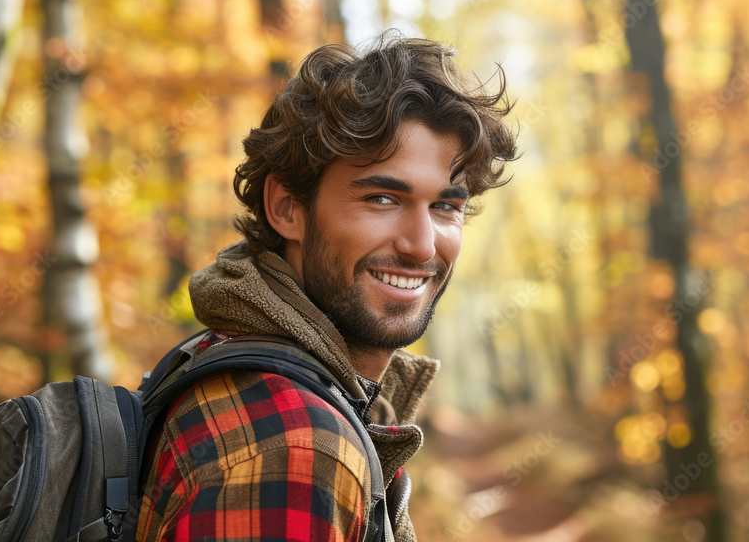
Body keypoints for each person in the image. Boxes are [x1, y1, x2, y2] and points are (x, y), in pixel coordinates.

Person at [135, 34, 518, 541]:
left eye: (446, 206)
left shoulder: (233, 360)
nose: (422, 246)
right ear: (287, 207)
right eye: (383, 198)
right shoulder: (292, 449)